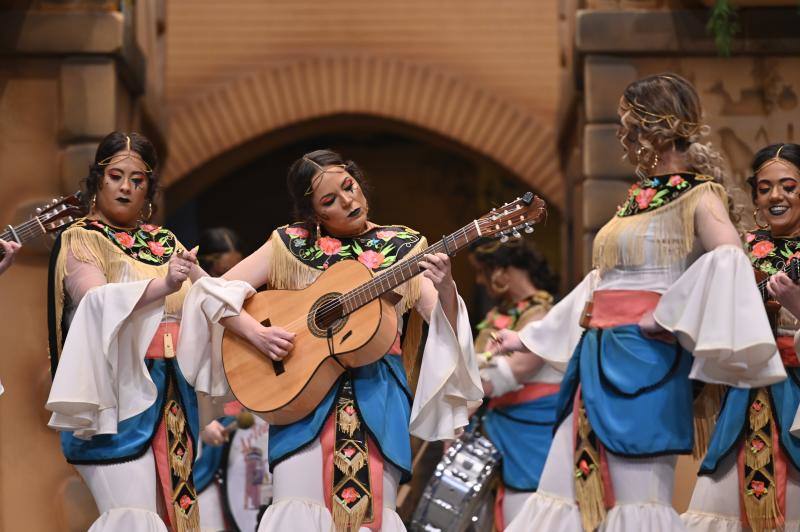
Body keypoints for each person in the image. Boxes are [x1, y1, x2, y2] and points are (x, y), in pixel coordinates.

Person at [492, 74, 785, 531]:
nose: (623, 134)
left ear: (654, 126)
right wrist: (529, 339)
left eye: (628, 121)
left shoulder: (699, 193)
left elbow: (730, 257)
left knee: (637, 495)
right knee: (562, 486)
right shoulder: (638, 199)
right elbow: (600, 284)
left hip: (647, 361)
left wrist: (669, 314)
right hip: (597, 356)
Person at [179, 149, 482, 531]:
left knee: (370, 516)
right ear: (313, 214)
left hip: (378, 395)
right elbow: (211, 294)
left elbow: (444, 321)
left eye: (349, 187)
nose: (348, 201)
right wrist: (258, 333)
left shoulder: (402, 247)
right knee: (296, 507)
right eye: (330, 200)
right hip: (298, 392)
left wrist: (447, 287)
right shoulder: (290, 244)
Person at [45, 131, 204, 532]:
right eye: (116, 176)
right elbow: (96, 300)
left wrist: (261, 327)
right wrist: (164, 286)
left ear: (149, 189)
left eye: (138, 180)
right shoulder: (82, 236)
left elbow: (211, 293)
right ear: (98, 179)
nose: (126, 188)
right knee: (131, 520)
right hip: (114, 396)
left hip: (172, 390)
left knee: (164, 519)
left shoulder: (163, 241)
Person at [683, 143, 800, 532]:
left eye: (788, 186)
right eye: (764, 188)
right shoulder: (739, 249)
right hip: (743, 399)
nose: (776, 196)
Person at [469, 238, 561, 528]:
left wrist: (459, 401)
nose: (479, 281)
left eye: (482, 271)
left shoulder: (544, 317)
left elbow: (507, 374)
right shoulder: (498, 315)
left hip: (532, 439)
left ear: (502, 271)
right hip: (498, 435)